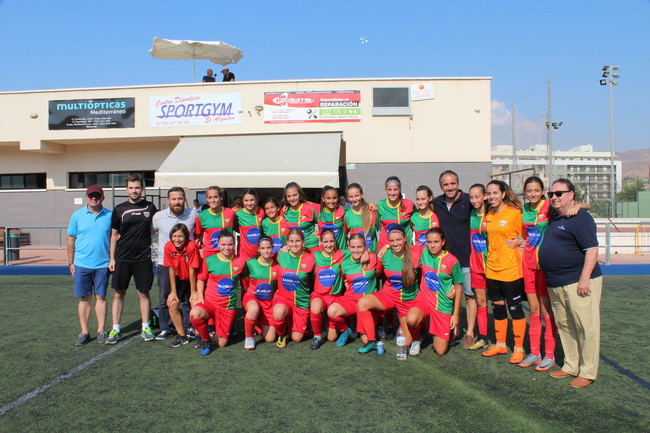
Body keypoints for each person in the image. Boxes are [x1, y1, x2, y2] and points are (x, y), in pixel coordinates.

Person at [539, 178, 602, 389]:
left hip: (578, 281)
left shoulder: (580, 218)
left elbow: (591, 249)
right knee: (565, 325)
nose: (554, 197)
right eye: (552, 194)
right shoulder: (556, 217)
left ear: (571, 195)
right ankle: (571, 365)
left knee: (586, 326)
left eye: (559, 193)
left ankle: (588, 371)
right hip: (556, 282)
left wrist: (585, 278)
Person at [107, 174, 158, 344]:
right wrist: (112, 259)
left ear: (142, 189)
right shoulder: (119, 209)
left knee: (143, 292)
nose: (134, 191)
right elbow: (114, 235)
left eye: (137, 187)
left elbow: (154, 228)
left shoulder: (150, 207)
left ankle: (145, 326)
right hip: (122, 257)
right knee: (119, 293)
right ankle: (116, 329)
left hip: (143, 257)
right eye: (131, 187)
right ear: (127, 189)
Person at [356, 224, 422, 354]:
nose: (395, 243)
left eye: (398, 240)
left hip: (407, 300)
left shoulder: (416, 252)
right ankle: (371, 341)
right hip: (389, 295)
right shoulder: (386, 255)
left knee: (407, 342)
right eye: (391, 241)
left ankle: (419, 333)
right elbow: (378, 273)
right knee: (362, 303)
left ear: (405, 238)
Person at [481, 180, 526, 363]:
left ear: (503, 194)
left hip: (511, 269)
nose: (491, 197)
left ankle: (518, 348)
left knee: (515, 309)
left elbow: (527, 234)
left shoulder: (515, 214)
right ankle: (500, 344)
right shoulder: (488, 215)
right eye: (489, 193)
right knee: (498, 307)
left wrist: (520, 240)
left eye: (495, 193)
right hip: (492, 269)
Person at [433, 170, 476, 348]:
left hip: (466, 259)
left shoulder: (468, 201)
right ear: (441, 186)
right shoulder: (437, 203)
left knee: (468, 295)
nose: (449, 187)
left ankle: (471, 332)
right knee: (447, 296)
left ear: (458, 184)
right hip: (446, 261)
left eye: (452, 183)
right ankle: (451, 328)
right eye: (446, 184)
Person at [67, 185, 112, 345]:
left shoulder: (110, 215)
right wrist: (71, 262)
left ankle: (101, 330)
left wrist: (112, 259)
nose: (94, 198)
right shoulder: (77, 215)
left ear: (102, 198)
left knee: (101, 297)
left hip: (102, 265)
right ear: (86, 197)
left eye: (97, 196)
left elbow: (114, 238)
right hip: (82, 264)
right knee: (84, 299)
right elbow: (71, 239)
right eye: (91, 196)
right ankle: (84, 332)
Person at [407, 228, 463, 355]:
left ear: (443, 242)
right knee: (411, 319)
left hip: (442, 305)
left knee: (440, 351)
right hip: (424, 299)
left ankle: (450, 333)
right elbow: (401, 246)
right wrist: (386, 246)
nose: (432, 245)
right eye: (429, 242)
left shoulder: (452, 261)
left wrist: (456, 315)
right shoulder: (423, 251)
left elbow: (459, 287)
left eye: (436, 242)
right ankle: (418, 337)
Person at [152, 187, 197, 341]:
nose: (177, 202)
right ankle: (166, 327)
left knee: (186, 297)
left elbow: (198, 234)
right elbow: (149, 232)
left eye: (180, 198)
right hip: (165, 263)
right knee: (166, 296)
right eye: (174, 199)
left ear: (184, 199)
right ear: (168, 200)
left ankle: (188, 326)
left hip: (186, 263)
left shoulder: (193, 214)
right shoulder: (158, 217)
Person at [190, 230, 245, 355]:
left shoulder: (240, 262)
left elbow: (246, 279)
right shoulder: (210, 260)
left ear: (234, 244)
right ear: (218, 245)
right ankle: (205, 340)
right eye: (223, 245)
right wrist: (199, 296)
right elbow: (201, 279)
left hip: (227, 307)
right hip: (210, 303)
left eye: (230, 244)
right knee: (195, 313)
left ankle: (216, 332)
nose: (227, 248)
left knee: (221, 344)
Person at [328, 233, 378, 346]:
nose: (356, 250)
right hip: (351, 300)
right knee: (332, 311)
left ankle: (362, 327)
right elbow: (344, 280)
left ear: (365, 246)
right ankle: (346, 330)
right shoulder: (344, 264)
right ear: (348, 247)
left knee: (366, 340)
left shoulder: (372, 257)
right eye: (353, 247)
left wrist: (369, 253)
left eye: (359, 247)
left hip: (366, 304)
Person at [272, 228, 315, 348]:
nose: (294, 244)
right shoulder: (281, 254)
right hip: (283, 298)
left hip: (301, 302)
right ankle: (282, 334)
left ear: (303, 242)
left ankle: (301, 324)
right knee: (278, 312)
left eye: (297, 241)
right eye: (291, 241)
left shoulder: (311, 259)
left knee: (296, 338)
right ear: (287, 243)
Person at [163, 223, 200, 348]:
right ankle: (182, 336)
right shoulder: (168, 246)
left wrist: (194, 291)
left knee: (195, 305)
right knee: (172, 304)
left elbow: (192, 270)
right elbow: (171, 269)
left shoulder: (191, 246)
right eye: (174, 236)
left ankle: (200, 336)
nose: (177, 240)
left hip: (193, 278)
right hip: (179, 279)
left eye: (180, 236)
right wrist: (173, 291)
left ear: (186, 237)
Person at [309, 229, 345, 349]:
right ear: (321, 242)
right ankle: (317, 336)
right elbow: (298, 249)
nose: (328, 244)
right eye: (325, 242)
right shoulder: (315, 254)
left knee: (331, 338)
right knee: (315, 306)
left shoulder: (342, 254)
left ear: (335, 241)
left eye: (331, 241)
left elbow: (358, 251)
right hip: (320, 296)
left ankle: (335, 324)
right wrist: (285, 248)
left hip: (335, 297)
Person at [242, 236, 278, 350]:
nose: (266, 251)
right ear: (258, 249)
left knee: (270, 338)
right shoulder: (250, 263)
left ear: (272, 248)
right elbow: (244, 279)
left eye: (268, 248)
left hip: (268, 303)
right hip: (252, 297)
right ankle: (249, 337)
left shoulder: (277, 265)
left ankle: (256, 324)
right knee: (253, 309)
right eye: (263, 248)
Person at [467, 183, 490, 350]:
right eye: (471, 197)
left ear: (485, 197)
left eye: (477, 196)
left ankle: (501, 340)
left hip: (494, 266)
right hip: (476, 266)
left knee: (498, 303)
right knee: (481, 301)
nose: (474, 200)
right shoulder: (470, 215)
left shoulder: (493, 215)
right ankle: (483, 337)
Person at [195, 186, 235, 258]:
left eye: (215, 197)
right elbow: (198, 236)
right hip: (210, 256)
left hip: (227, 254)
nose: (213, 200)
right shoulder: (201, 216)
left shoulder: (231, 213)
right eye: (210, 197)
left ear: (221, 197)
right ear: (207, 199)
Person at [376, 176, 414, 251]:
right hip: (385, 248)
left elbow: (417, 220)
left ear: (400, 190)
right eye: (389, 190)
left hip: (405, 248)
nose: (392, 193)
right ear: (386, 190)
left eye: (395, 189)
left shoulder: (409, 204)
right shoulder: (380, 205)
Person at [282, 182, 320, 250]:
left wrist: (319, 232)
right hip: (294, 249)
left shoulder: (309, 208)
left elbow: (324, 219)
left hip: (311, 247)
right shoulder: (285, 211)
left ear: (299, 194)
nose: (292, 198)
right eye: (289, 196)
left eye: (294, 195)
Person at [343, 183, 377, 253]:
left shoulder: (372, 211)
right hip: (356, 256)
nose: (354, 199)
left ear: (362, 195)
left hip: (372, 255)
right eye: (351, 196)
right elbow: (344, 237)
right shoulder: (347, 215)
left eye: (357, 196)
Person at [234, 189, 265, 261]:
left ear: (257, 200)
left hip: (260, 256)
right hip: (244, 257)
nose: (249, 203)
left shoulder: (262, 212)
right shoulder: (238, 214)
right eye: (246, 200)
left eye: (252, 200)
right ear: (242, 201)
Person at [317, 186, 347, 250]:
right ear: (323, 199)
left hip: (341, 252)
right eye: (328, 198)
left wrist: (369, 204)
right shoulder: (318, 211)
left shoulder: (343, 210)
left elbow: (357, 209)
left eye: (334, 198)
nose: (332, 201)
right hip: (325, 253)